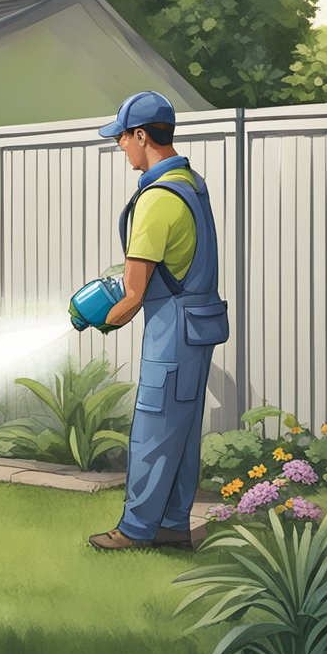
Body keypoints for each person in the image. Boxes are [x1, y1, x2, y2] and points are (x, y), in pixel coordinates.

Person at [86, 91, 230, 551]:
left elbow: (132, 295)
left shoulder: (156, 199)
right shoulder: (191, 183)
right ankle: (171, 524)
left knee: (153, 428)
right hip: (199, 325)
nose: (120, 146)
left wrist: (97, 320)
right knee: (182, 434)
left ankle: (135, 529)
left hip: (171, 332)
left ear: (142, 135)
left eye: (123, 137)